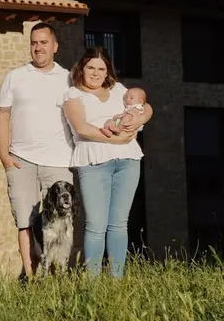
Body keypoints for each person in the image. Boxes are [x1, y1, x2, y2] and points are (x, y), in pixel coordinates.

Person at [60, 46, 153, 278]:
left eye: (101, 68)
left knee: (119, 223)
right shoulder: (73, 95)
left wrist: (141, 117)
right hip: (93, 162)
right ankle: (92, 283)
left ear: (107, 71)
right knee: (95, 225)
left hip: (128, 161)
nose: (96, 73)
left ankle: (116, 281)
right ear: (81, 68)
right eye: (91, 67)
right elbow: (82, 128)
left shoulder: (119, 90)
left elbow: (146, 105)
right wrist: (118, 138)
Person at [0, 22, 75, 279]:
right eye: (34, 42)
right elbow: (2, 116)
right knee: (25, 222)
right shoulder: (14, 77)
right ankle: (31, 279)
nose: (38, 47)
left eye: (43, 42)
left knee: (64, 220)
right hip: (21, 161)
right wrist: (4, 156)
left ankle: (58, 276)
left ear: (55, 46)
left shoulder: (68, 78)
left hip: (59, 160)